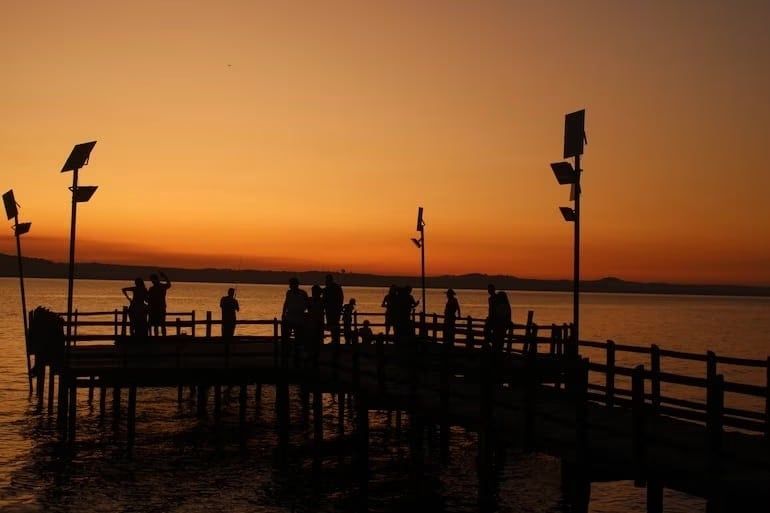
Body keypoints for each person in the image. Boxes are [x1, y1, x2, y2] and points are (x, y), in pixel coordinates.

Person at [282, 276, 309, 345]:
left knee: (298, 337)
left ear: (296, 284)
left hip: (299, 318)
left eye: (291, 284)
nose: (290, 286)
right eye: (290, 284)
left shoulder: (303, 293)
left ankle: (296, 350)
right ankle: (288, 348)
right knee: (286, 336)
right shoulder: (289, 293)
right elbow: (286, 303)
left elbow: (307, 304)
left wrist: (302, 310)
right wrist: (283, 314)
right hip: (290, 317)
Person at [147, 271, 171, 336]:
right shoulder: (153, 288)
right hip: (157, 308)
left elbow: (169, 284)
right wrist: (164, 276)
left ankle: (161, 337)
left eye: (152, 280)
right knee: (157, 325)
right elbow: (169, 284)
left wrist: (164, 276)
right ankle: (159, 337)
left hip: (159, 308)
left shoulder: (157, 287)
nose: (152, 281)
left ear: (155, 279)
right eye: (151, 280)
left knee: (160, 324)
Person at [322, 274, 344, 345]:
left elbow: (340, 298)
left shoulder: (333, 288)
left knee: (334, 325)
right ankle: (335, 340)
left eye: (327, 279)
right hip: (331, 309)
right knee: (332, 325)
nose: (326, 281)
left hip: (333, 309)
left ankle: (335, 340)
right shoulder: (333, 287)